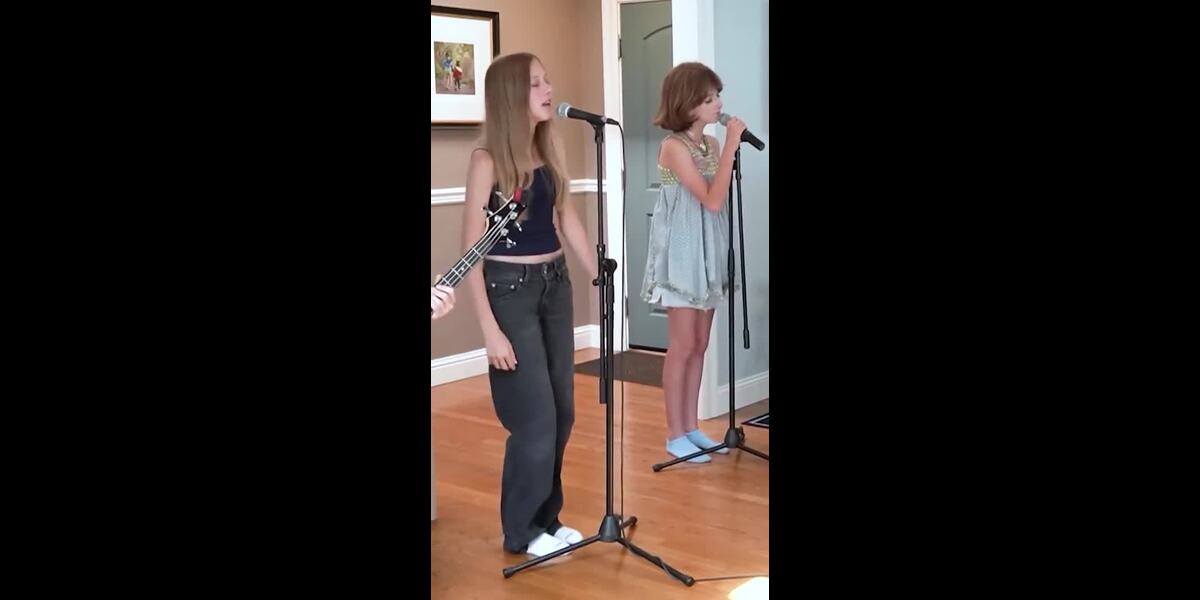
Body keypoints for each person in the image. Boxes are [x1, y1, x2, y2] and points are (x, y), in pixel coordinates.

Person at [459, 52, 596, 558]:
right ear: (512, 95)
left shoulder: (546, 146)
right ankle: (520, 531)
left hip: (555, 284)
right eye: (536, 83)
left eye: (547, 79)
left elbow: (567, 216)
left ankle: (546, 518)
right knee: (534, 419)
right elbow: (470, 251)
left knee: (562, 413)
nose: (548, 89)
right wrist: (489, 331)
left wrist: (598, 273)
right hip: (509, 292)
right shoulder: (487, 161)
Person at [641, 62, 747, 464]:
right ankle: (674, 433)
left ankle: (690, 426)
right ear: (687, 105)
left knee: (700, 344)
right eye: (708, 99)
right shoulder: (674, 147)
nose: (718, 104)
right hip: (682, 254)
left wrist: (726, 147)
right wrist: (732, 144)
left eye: (717, 96)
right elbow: (712, 199)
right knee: (682, 344)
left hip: (709, 249)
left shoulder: (712, 146)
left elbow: (718, 199)